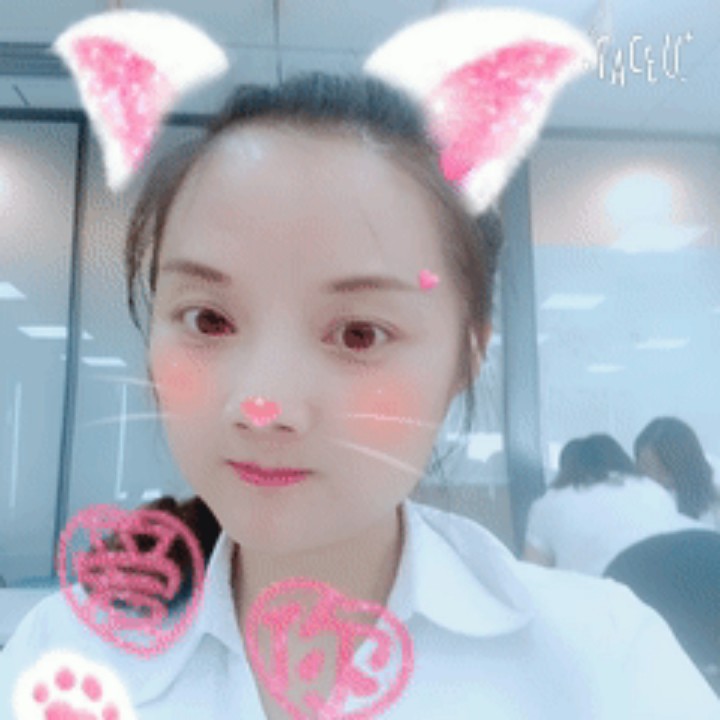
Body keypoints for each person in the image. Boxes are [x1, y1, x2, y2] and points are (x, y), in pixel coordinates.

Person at [1, 74, 718, 718]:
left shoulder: (603, 662)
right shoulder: (63, 654)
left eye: (359, 334)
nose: (263, 406)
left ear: (466, 357)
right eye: (208, 320)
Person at [524, 434, 702, 576]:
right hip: (664, 594)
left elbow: (533, 576)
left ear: (567, 469)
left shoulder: (549, 503)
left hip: (596, 601)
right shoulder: (655, 491)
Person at [635, 416, 720, 530]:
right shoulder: (635, 502)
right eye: (641, 467)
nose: (646, 476)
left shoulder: (713, 514)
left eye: (655, 468)